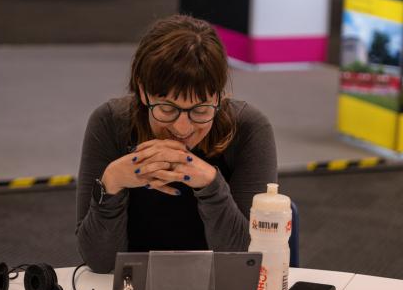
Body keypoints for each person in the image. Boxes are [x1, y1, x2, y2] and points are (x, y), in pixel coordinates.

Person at [76, 14, 277, 273]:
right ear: (142, 90)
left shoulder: (248, 129)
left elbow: (247, 263)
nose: (182, 128)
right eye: (167, 109)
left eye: (200, 109)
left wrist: (211, 186)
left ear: (219, 96)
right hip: (133, 289)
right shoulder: (111, 123)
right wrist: (112, 182)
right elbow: (100, 263)